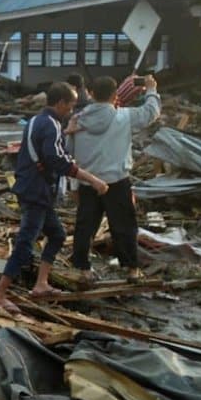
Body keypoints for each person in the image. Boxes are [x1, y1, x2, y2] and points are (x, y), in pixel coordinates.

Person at [0, 82, 109, 311]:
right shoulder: (51, 125)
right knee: (25, 243)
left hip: (32, 188)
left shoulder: (36, 121)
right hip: (37, 192)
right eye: (71, 105)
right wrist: (92, 179)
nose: (72, 110)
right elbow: (58, 160)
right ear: (61, 103)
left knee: (57, 235)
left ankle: (41, 284)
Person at [67, 73, 161, 284]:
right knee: (124, 225)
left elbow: (68, 151)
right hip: (116, 181)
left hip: (88, 181)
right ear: (115, 95)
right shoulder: (124, 116)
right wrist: (151, 89)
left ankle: (82, 269)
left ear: (90, 94)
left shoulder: (77, 119)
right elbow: (151, 113)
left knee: (85, 226)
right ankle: (131, 270)